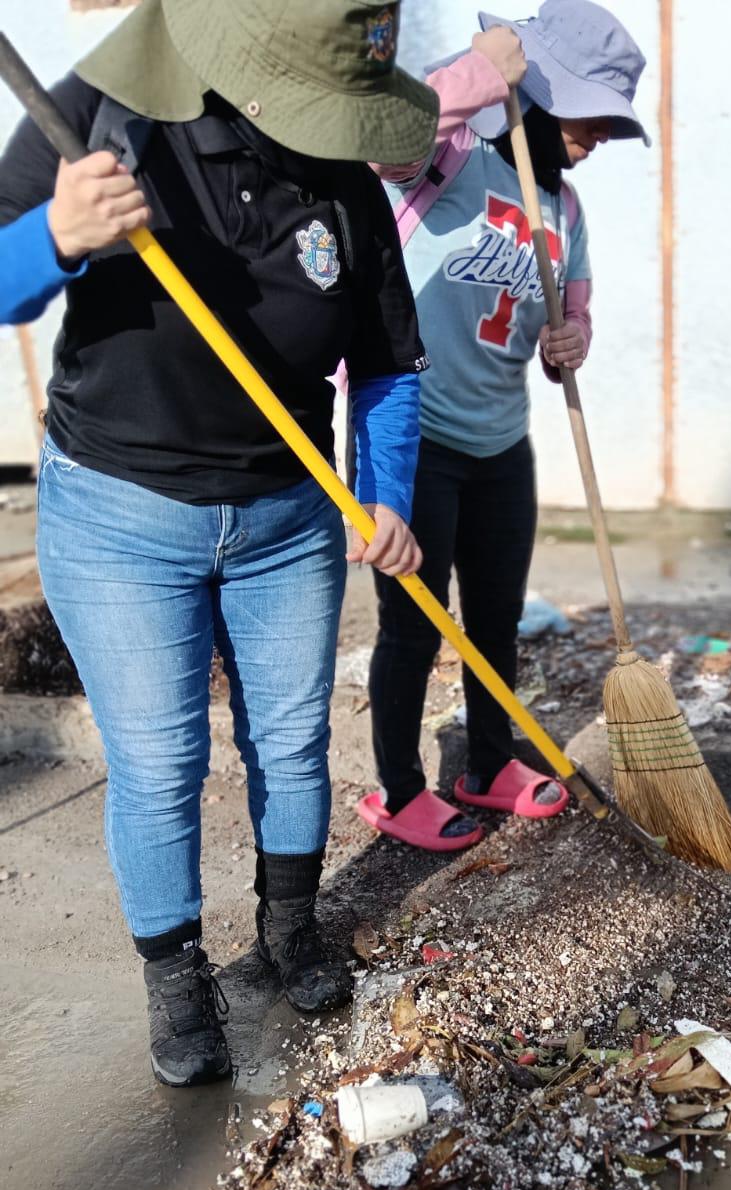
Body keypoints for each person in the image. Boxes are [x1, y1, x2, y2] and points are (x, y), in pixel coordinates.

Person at [0, 0, 436, 1087]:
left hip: (289, 518)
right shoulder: (100, 112)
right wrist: (52, 240)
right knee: (160, 761)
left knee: (289, 742)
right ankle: (176, 971)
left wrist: (383, 495)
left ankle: (291, 928)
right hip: (119, 516)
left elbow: (387, 362)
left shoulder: (340, 172)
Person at [355, 0, 649, 851]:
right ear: (543, 95)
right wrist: (486, 69)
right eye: (591, 119)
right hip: (414, 432)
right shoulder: (447, 156)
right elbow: (383, 134)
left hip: (500, 441)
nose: (597, 140)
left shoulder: (569, 215)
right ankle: (401, 788)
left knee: (496, 617)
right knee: (413, 623)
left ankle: (484, 765)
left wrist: (572, 341)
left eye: (609, 127)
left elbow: (574, 324)